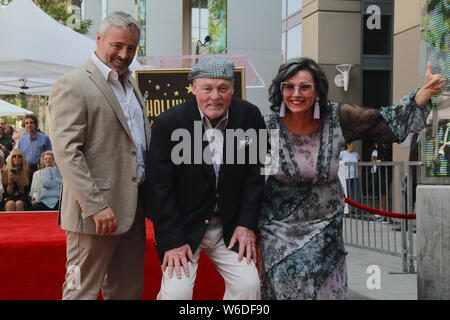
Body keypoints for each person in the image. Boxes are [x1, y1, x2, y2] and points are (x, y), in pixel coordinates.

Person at [257, 57, 445, 300]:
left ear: (317, 91)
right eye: (289, 86)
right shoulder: (266, 125)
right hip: (278, 231)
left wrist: (424, 93)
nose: (296, 93)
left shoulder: (338, 116)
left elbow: (386, 123)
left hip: (325, 230)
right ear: (280, 89)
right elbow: (241, 174)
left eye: (305, 87)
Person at [48, 11, 151, 300]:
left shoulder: (131, 85)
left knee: (127, 291)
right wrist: (95, 206)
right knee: (79, 290)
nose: (124, 53)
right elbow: (67, 152)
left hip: (133, 210)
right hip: (94, 214)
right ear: (98, 39)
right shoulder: (73, 84)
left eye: (131, 48)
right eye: (117, 45)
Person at [147, 55, 265, 300]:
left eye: (223, 88)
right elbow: (159, 188)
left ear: (233, 88)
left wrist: (246, 224)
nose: (215, 96)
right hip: (184, 227)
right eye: (207, 88)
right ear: (193, 88)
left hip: (230, 226)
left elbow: (258, 174)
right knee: (176, 294)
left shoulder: (251, 116)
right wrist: (172, 241)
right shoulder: (168, 123)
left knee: (249, 285)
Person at [339, 142, 361, 207]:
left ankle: (356, 210)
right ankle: (346, 209)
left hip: (355, 176)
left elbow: (359, 161)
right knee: (346, 193)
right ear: (348, 145)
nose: (354, 146)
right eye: (352, 144)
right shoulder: (342, 153)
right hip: (346, 177)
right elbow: (337, 161)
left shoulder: (355, 154)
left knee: (356, 194)